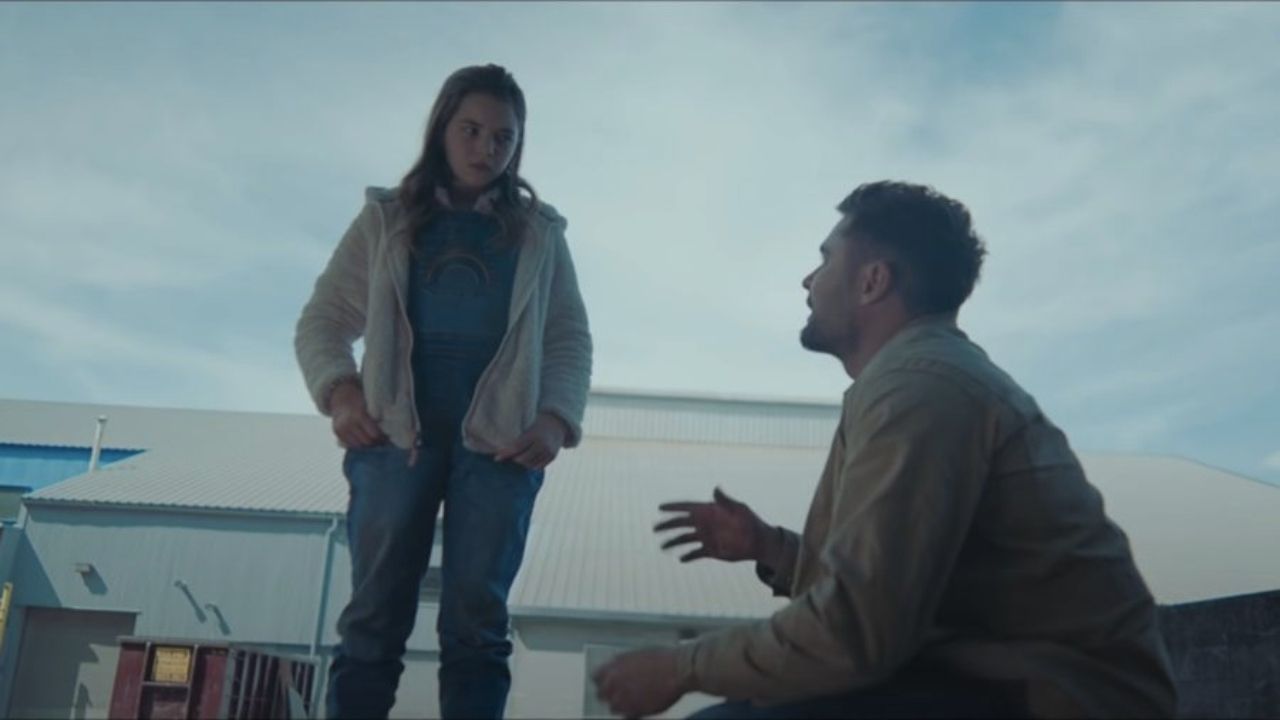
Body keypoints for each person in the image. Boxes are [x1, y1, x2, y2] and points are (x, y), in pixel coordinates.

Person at [592, 181, 1175, 719]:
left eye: (825, 259)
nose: (807, 280)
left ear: (872, 281)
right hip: (1008, 686)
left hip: (1058, 699)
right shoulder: (916, 379)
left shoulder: (921, 389)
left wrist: (681, 666)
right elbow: (887, 595)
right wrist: (770, 547)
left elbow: (854, 632)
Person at [295, 64, 592, 720]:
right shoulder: (385, 220)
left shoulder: (540, 235)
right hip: (391, 442)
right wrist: (341, 394)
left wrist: (554, 419)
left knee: (477, 627)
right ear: (441, 129)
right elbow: (323, 321)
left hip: (501, 449)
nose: (487, 148)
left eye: (504, 137)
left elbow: (568, 338)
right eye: (472, 130)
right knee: (372, 621)